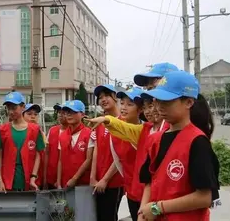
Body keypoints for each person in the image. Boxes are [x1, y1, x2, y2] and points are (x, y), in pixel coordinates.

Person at [137, 71, 220, 221]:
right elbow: (149, 181)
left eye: (167, 101)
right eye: (158, 100)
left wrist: (157, 208)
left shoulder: (197, 141)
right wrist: (142, 213)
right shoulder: (155, 140)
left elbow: (205, 197)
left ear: (188, 102)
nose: (160, 107)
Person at [0, 92, 45, 192]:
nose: (11, 111)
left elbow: (39, 154)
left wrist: (33, 177)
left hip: (29, 178)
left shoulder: (35, 129)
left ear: (23, 107)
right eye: (8, 108)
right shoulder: (3, 130)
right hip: (9, 179)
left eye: (14, 108)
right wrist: (0, 179)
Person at [90, 85, 124, 221]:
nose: (103, 100)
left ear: (115, 97)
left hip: (114, 181)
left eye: (106, 96)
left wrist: (105, 180)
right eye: (100, 97)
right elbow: (96, 151)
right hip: (97, 181)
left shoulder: (122, 122)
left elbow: (121, 155)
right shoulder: (100, 122)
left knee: (109, 216)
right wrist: (93, 177)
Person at [57, 100, 94, 189]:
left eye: (73, 112)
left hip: (84, 183)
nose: (69, 115)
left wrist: (74, 178)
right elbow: (60, 160)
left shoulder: (89, 133)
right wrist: (58, 183)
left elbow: (89, 159)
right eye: (67, 112)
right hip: (65, 183)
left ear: (82, 114)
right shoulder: (62, 135)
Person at [43, 103, 68, 189]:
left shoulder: (73, 132)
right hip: (51, 177)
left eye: (64, 112)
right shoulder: (52, 130)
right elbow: (46, 153)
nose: (60, 114)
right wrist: (45, 178)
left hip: (67, 179)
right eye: (59, 112)